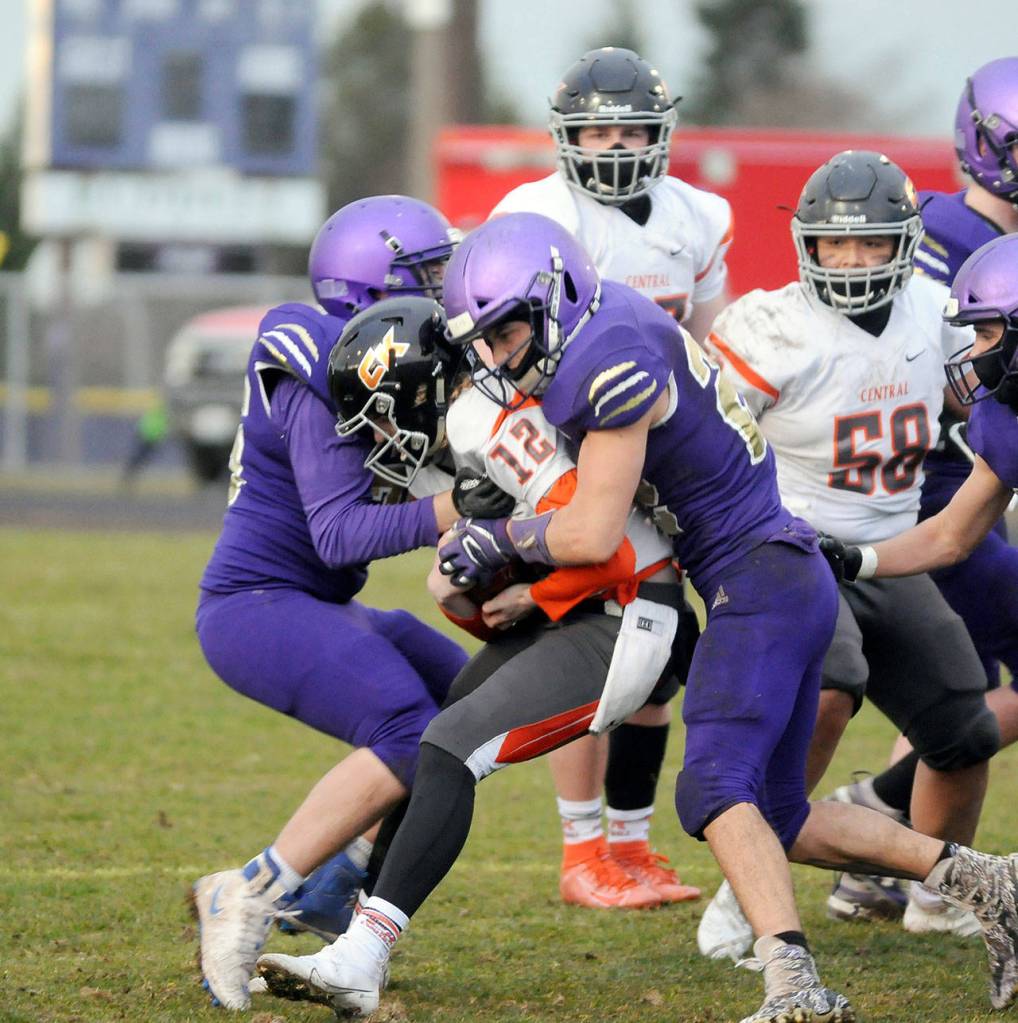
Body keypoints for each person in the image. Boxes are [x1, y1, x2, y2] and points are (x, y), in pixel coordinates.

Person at [253, 213, 1018, 1022]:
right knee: (780, 815)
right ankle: (990, 881)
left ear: (554, 297)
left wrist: (499, 537)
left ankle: (796, 986)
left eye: (508, 334)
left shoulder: (605, 360)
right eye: (486, 342)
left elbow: (591, 533)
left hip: (751, 578)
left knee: (711, 788)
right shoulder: (606, 316)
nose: (500, 359)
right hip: (772, 573)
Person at [693, 150, 999, 957]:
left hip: (889, 547)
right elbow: (702, 444)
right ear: (808, 243)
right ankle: (746, 880)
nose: (853, 260)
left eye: (871, 243)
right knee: (832, 686)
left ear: (906, 244)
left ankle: (938, 893)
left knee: (964, 727)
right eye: (835, 243)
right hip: (785, 549)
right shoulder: (768, 327)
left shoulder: (937, 312)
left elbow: (985, 395)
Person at [191, 197, 472, 1011]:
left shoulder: (405, 359)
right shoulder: (311, 353)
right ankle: (249, 889)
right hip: (256, 603)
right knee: (407, 729)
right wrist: (454, 508)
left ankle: (333, 888)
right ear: (369, 287)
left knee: (468, 710)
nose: (445, 290)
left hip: (318, 603)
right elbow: (340, 533)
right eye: (428, 274)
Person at [489, 45, 731, 906]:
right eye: (598, 130)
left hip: (661, 461)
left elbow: (705, 346)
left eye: (631, 129)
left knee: (659, 657)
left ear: (661, 132)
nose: (616, 144)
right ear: (568, 136)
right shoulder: (538, 214)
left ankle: (629, 843)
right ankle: (582, 849)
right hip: (567, 455)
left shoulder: (697, 215)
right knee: (599, 647)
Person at [833, 59, 1018, 878]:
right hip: (930, 479)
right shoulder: (931, 234)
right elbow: (907, 366)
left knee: (953, 689)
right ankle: (881, 829)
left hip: (963, 479)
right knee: (952, 695)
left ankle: (884, 861)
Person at [821, 234, 1018, 737]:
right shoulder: (1002, 416)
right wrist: (858, 560)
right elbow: (951, 534)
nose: (975, 352)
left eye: (987, 335)